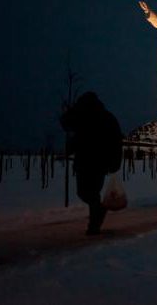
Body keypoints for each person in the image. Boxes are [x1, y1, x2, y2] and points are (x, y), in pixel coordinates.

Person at [60, 92, 122, 235]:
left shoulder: (103, 118)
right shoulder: (87, 117)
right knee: (84, 192)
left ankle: (94, 224)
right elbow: (69, 126)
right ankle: (98, 212)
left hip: (96, 161)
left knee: (91, 192)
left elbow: (115, 141)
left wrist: (114, 162)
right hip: (86, 160)